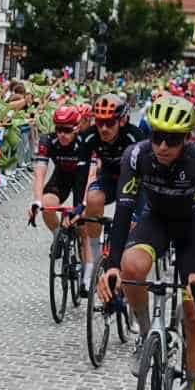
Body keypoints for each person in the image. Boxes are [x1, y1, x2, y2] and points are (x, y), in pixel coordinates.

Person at [96, 95, 195, 390]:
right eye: (159, 136)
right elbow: (124, 211)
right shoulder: (137, 155)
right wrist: (113, 266)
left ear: (187, 139)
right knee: (133, 268)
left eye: (174, 139)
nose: (164, 145)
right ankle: (146, 333)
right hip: (157, 222)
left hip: (194, 231)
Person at [80, 93, 143, 293]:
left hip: (135, 181)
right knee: (92, 199)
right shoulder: (90, 135)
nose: (104, 129)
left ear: (121, 121)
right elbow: (81, 175)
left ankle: (126, 267)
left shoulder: (134, 136)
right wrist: (78, 206)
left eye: (109, 123)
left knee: (131, 223)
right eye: (99, 123)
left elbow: (144, 172)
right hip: (109, 178)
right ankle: (95, 259)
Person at [30, 103, 95, 278]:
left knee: (82, 227)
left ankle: (87, 277)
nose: (62, 135)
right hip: (62, 177)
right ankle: (58, 236)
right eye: (58, 130)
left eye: (66, 130)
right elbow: (39, 174)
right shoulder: (48, 141)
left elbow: (91, 176)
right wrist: (36, 201)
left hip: (82, 179)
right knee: (46, 203)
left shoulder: (86, 142)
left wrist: (83, 205)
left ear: (76, 128)